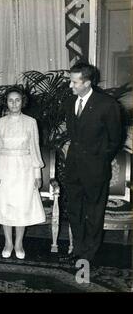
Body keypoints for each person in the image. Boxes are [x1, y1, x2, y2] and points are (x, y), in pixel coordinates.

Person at [63, 62, 121, 262]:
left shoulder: (107, 104)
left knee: (94, 213)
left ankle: (89, 253)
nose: (70, 86)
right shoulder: (70, 102)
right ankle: (78, 249)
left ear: (87, 83)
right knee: (74, 210)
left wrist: (99, 158)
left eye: (74, 82)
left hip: (95, 169)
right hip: (73, 168)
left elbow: (115, 139)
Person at [0, 86, 45, 260]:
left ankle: (19, 243)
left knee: (21, 207)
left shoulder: (31, 122)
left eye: (17, 100)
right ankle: (8, 243)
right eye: (10, 100)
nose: (14, 103)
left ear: (22, 102)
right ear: (6, 102)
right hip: (4, 168)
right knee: (5, 206)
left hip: (24, 169)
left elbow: (34, 149)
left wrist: (37, 175)